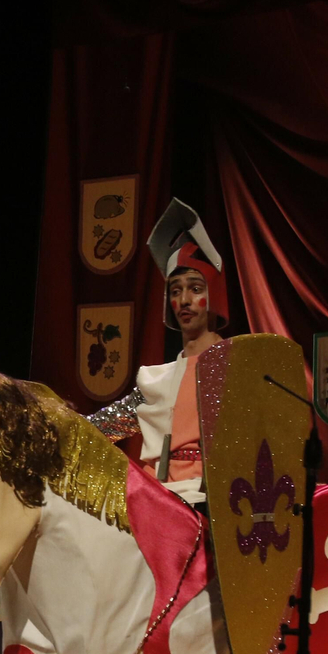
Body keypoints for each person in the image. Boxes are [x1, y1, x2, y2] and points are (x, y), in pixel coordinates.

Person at [86, 198, 227, 505]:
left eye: (195, 288)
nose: (185, 300)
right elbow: (104, 426)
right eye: (176, 291)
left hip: (212, 498)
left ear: (213, 294)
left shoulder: (235, 364)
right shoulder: (157, 378)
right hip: (156, 496)